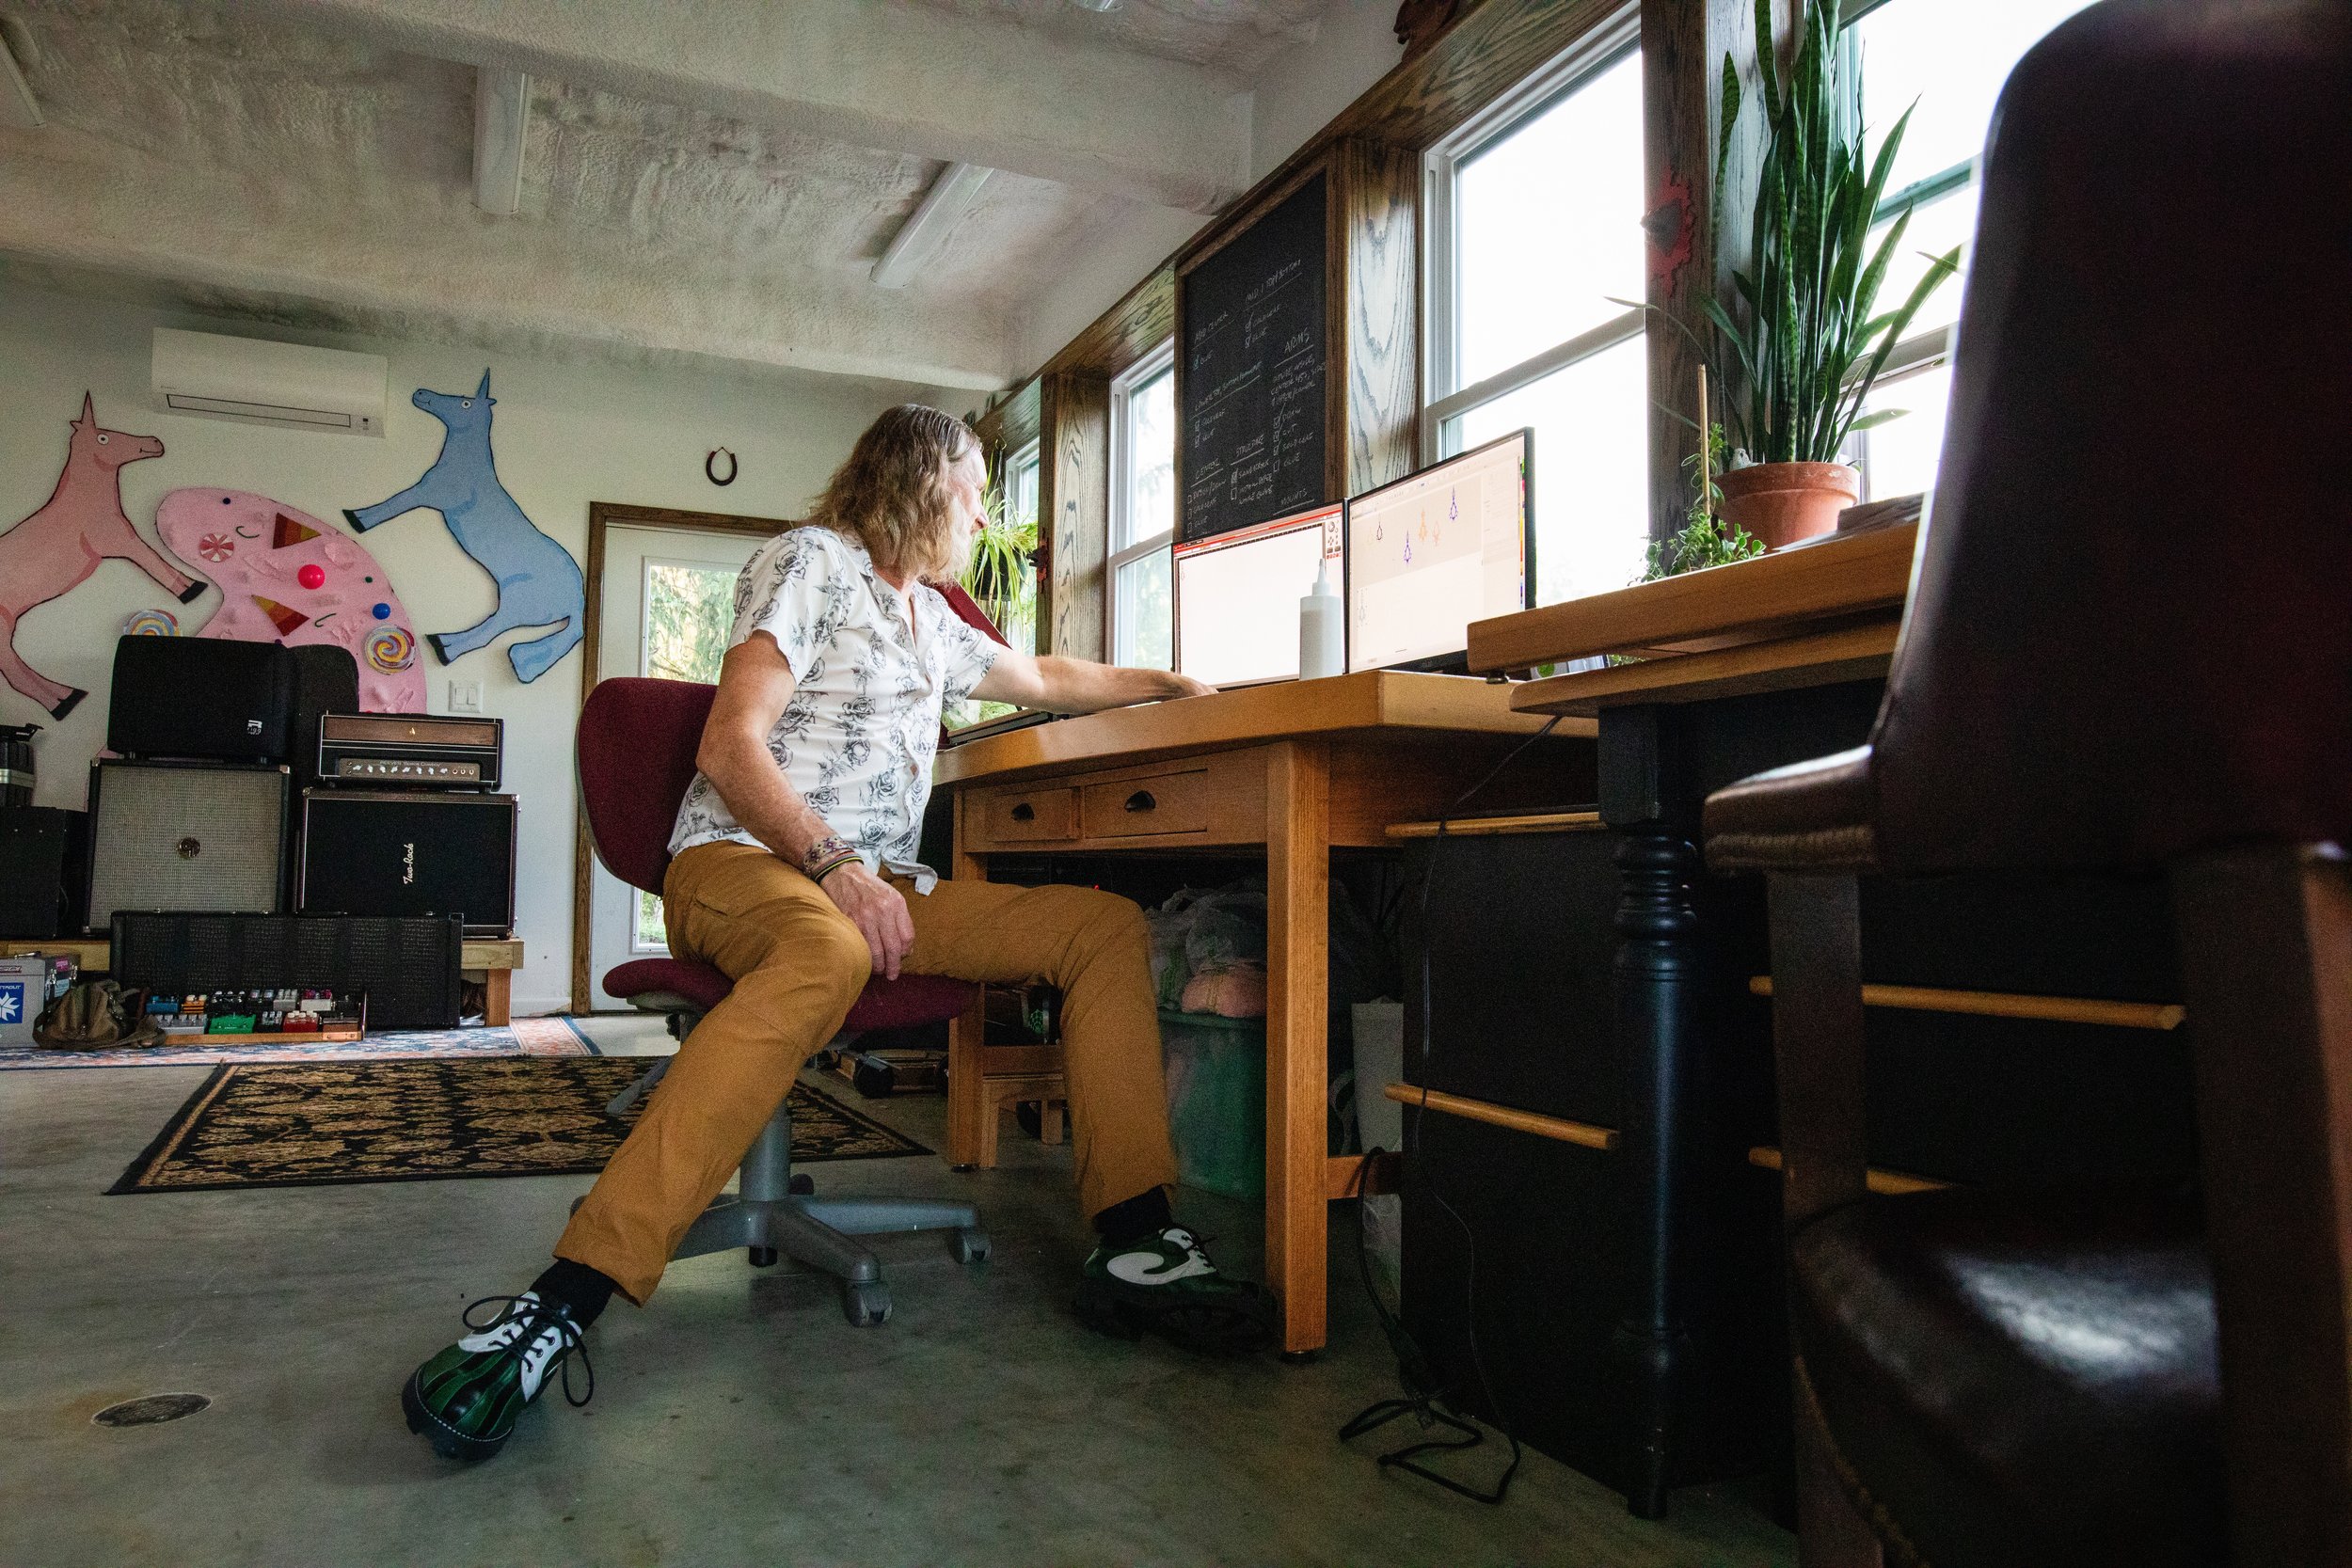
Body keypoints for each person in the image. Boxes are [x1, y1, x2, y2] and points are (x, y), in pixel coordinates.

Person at [403, 404, 1273, 1462]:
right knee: (830, 946)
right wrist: (834, 866)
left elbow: (1041, 678)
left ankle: (1135, 1238)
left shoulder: (931, 615)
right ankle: (567, 1295)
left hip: (871, 882)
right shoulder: (810, 561)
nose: (982, 509)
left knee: (1098, 926)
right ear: (920, 479)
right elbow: (730, 746)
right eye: (975, 485)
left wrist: (1171, 683)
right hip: (743, 862)